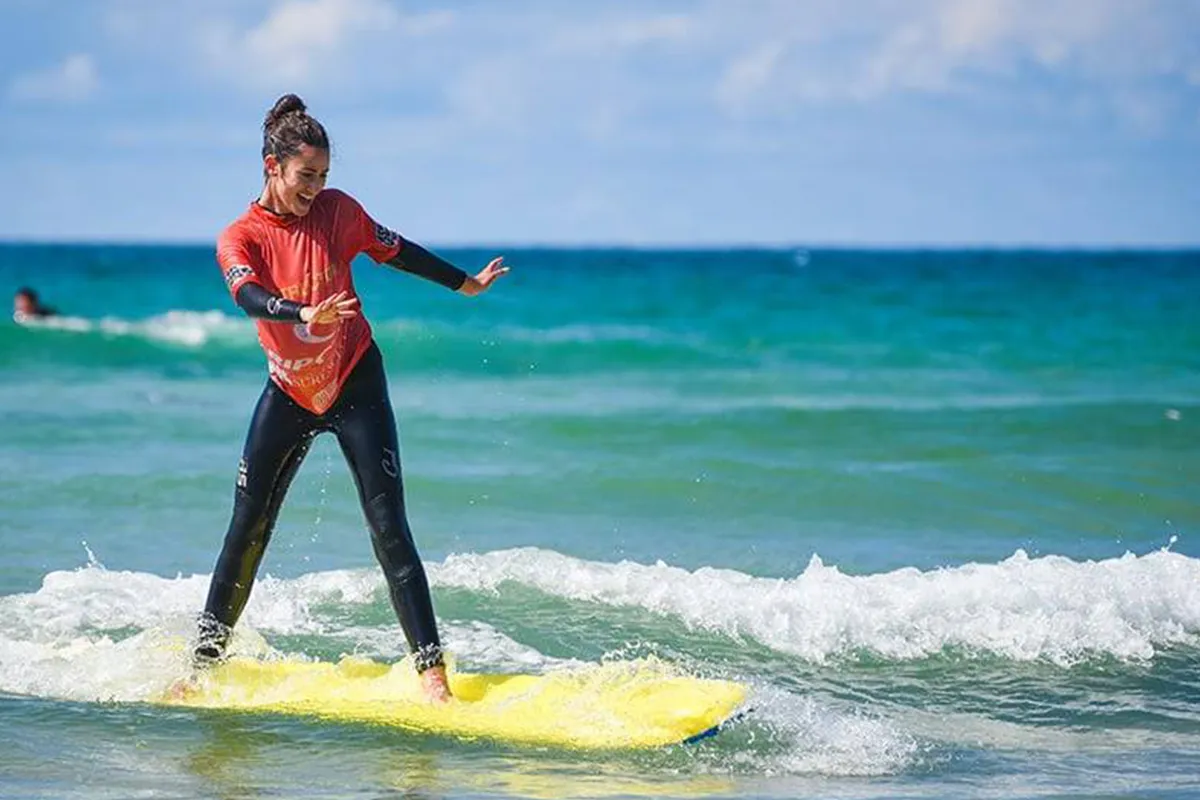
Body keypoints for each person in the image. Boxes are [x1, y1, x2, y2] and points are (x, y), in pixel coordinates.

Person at [190, 93, 508, 703]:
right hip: (288, 388)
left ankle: (433, 676)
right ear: (271, 167)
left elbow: (398, 250)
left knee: (389, 525)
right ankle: (202, 669)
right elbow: (248, 296)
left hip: (355, 377)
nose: (315, 187)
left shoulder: (340, 213)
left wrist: (465, 283)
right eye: (305, 175)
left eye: (324, 176)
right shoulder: (241, 235)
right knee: (247, 529)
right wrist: (302, 309)